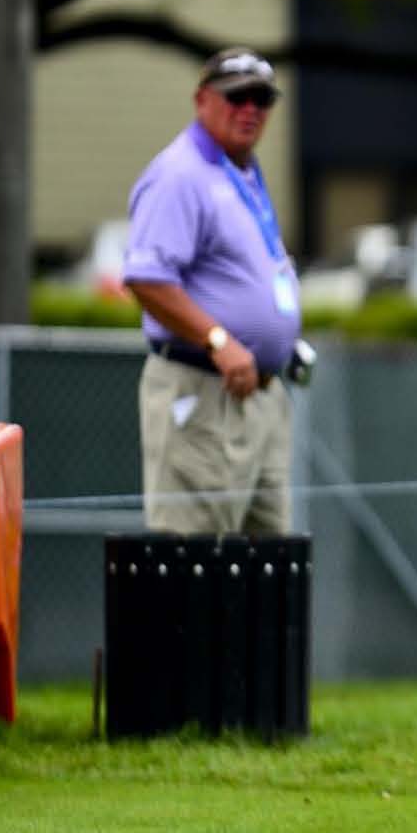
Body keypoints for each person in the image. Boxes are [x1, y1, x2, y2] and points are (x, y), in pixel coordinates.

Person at [123, 47, 302, 536]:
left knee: (269, 560)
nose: (250, 109)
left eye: (262, 99)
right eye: (236, 97)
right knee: (197, 555)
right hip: (202, 392)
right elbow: (146, 278)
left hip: (259, 396)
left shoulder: (240, 170)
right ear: (202, 100)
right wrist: (218, 340)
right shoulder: (180, 174)